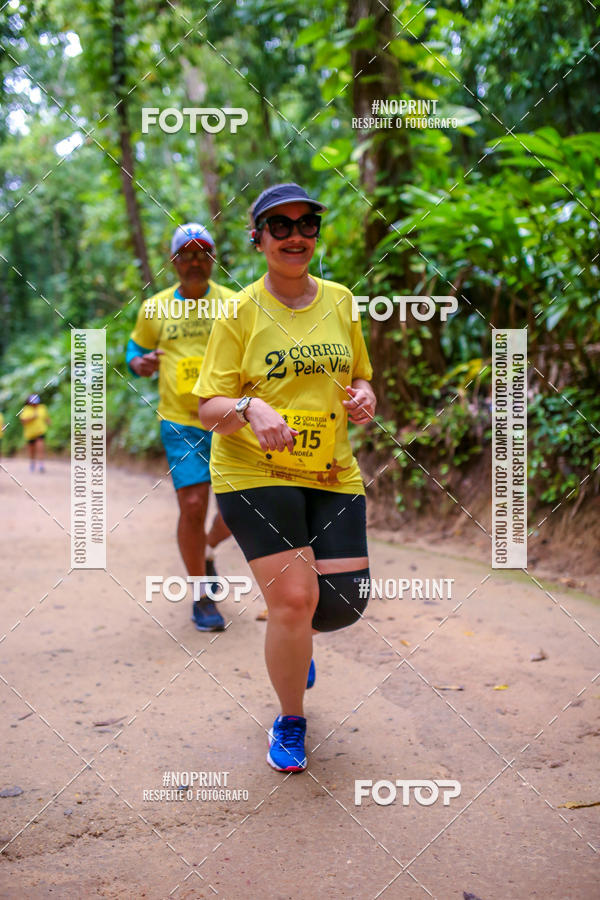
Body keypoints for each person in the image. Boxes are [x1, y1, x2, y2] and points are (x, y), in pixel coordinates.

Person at [194, 183, 376, 772]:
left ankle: (296, 648)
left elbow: (364, 378)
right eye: (280, 226)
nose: (296, 235)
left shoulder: (343, 301)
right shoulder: (239, 312)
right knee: (295, 601)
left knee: (343, 604)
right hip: (254, 470)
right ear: (258, 238)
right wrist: (249, 407)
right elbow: (209, 410)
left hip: (330, 471)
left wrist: (364, 399)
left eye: (307, 224)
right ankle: (290, 718)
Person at [127, 223, 235, 631]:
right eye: (185, 253)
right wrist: (139, 362)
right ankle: (201, 595)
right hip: (180, 422)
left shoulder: (234, 303)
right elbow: (135, 349)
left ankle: (207, 552)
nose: (194, 260)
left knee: (235, 511)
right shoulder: (154, 307)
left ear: (212, 259)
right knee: (192, 506)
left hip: (230, 419)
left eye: (201, 252)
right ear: (173, 261)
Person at [19, 394, 51, 472]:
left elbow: (46, 417)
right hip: (30, 433)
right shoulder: (25, 409)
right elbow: (23, 421)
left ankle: (41, 465)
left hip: (40, 431)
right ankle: (32, 463)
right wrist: (32, 417)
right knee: (32, 450)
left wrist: (48, 421)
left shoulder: (42, 408)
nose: (35, 404)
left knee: (40, 447)